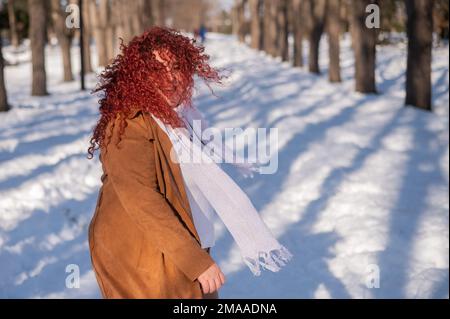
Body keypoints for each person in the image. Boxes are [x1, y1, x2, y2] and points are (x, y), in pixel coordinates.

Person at [87, 26, 226, 299]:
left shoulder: (183, 117)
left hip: (180, 246)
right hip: (142, 257)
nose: (171, 78)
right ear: (139, 75)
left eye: (176, 67)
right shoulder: (128, 121)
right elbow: (141, 198)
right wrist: (196, 262)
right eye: (157, 69)